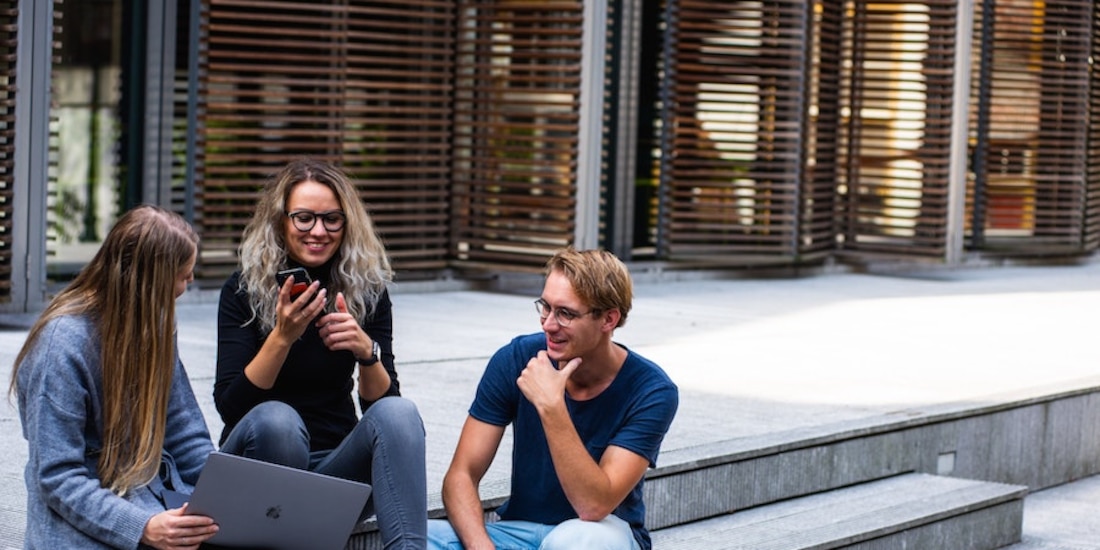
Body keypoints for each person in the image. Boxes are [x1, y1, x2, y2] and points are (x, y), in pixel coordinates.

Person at [214, 158, 427, 548]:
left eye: (332, 219)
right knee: (279, 420)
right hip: (258, 471)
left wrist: (366, 351)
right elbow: (230, 408)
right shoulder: (243, 290)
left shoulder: (365, 289)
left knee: (401, 413)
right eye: (304, 218)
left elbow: (385, 409)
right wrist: (282, 337)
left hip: (333, 472)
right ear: (281, 221)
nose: (319, 231)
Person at [428, 248, 679, 550]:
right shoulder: (517, 358)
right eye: (545, 307)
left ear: (608, 319)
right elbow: (461, 475)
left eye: (566, 313)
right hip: (520, 532)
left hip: (600, 534)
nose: (547, 324)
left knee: (576, 541)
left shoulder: (651, 391)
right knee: (421, 536)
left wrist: (551, 405)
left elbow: (594, 506)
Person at [11, 205, 218, 549]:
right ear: (152, 281)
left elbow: (184, 431)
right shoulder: (61, 345)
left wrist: (216, 499)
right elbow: (58, 477)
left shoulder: (157, 325)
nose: (190, 282)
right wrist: (143, 526)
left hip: (148, 490)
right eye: (184, 275)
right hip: (86, 512)